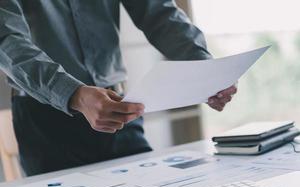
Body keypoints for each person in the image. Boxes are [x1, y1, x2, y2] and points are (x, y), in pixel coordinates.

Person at [0, 0, 237, 176]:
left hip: (118, 108)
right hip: (45, 119)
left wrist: (204, 67)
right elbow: (7, 40)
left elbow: (158, 12)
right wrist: (74, 94)